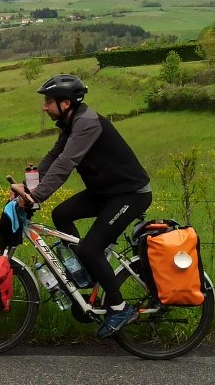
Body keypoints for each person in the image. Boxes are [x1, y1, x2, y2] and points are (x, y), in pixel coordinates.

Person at [10, 74, 152, 339]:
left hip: (129, 194)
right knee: (61, 214)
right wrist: (26, 188)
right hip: (106, 192)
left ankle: (120, 307)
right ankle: (86, 272)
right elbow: (53, 157)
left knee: (91, 247)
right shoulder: (71, 123)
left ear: (66, 104)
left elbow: (65, 164)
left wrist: (36, 196)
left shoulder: (86, 124)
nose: (44, 106)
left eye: (48, 101)